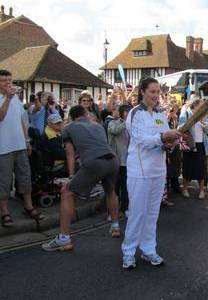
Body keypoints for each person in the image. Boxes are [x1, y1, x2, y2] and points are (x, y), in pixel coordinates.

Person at [121, 77, 181, 269]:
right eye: (152, 92)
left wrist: (172, 142)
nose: (156, 96)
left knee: (152, 213)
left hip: (158, 170)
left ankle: (148, 250)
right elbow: (141, 140)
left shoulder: (160, 115)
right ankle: (129, 252)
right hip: (140, 171)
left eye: (158, 92)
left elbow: (165, 142)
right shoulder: (134, 114)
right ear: (142, 92)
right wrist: (165, 136)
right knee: (137, 213)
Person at [42, 105, 121, 251]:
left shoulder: (68, 127)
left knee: (67, 192)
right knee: (110, 192)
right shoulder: (97, 126)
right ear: (85, 114)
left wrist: (71, 177)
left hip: (95, 162)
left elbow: (70, 154)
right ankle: (115, 227)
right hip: (112, 160)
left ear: (72, 117)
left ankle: (64, 238)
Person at [0, 70, 43, 227]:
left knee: (25, 176)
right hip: (3, 148)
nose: (8, 83)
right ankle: (4, 211)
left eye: (9, 80)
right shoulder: (6, 98)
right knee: (4, 181)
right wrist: (7, 99)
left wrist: (27, 141)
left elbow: (21, 121)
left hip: (19, 145)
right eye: (4, 80)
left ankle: (28, 206)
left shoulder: (16, 100)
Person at [178, 99, 208, 200]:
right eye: (201, 106)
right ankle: (185, 189)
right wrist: (188, 125)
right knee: (187, 167)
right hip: (190, 144)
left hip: (201, 144)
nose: (203, 108)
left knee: (201, 168)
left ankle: (202, 190)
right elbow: (180, 128)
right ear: (195, 105)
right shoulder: (186, 114)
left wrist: (204, 124)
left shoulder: (203, 115)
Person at [107, 104, 131, 214]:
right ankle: (112, 211)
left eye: (129, 111)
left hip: (127, 160)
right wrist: (126, 122)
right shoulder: (112, 123)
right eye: (126, 111)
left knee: (126, 186)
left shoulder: (131, 125)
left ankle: (125, 208)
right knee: (115, 187)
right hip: (116, 160)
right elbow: (115, 131)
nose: (128, 113)